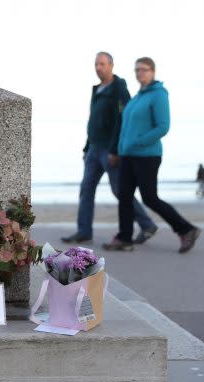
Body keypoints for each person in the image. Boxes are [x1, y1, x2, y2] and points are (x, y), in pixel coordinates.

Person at [104, 57, 201, 253]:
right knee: (124, 196)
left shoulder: (158, 94)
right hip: (128, 156)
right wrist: (119, 149)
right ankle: (124, 238)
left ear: (153, 71)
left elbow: (163, 127)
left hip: (147, 156)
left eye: (144, 70)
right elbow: (125, 127)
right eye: (137, 70)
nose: (140, 73)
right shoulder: (137, 97)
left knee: (149, 197)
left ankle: (187, 229)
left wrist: (138, 141)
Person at [62, 52, 157, 244]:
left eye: (102, 64)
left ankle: (147, 224)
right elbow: (93, 121)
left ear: (111, 65)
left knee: (118, 190)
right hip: (94, 149)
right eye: (96, 64)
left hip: (110, 150)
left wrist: (115, 149)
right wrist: (86, 147)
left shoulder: (119, 87)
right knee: (86, 189)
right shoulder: (97, 89)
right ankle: (84, 231)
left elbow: (124, 119)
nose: (99, 68)